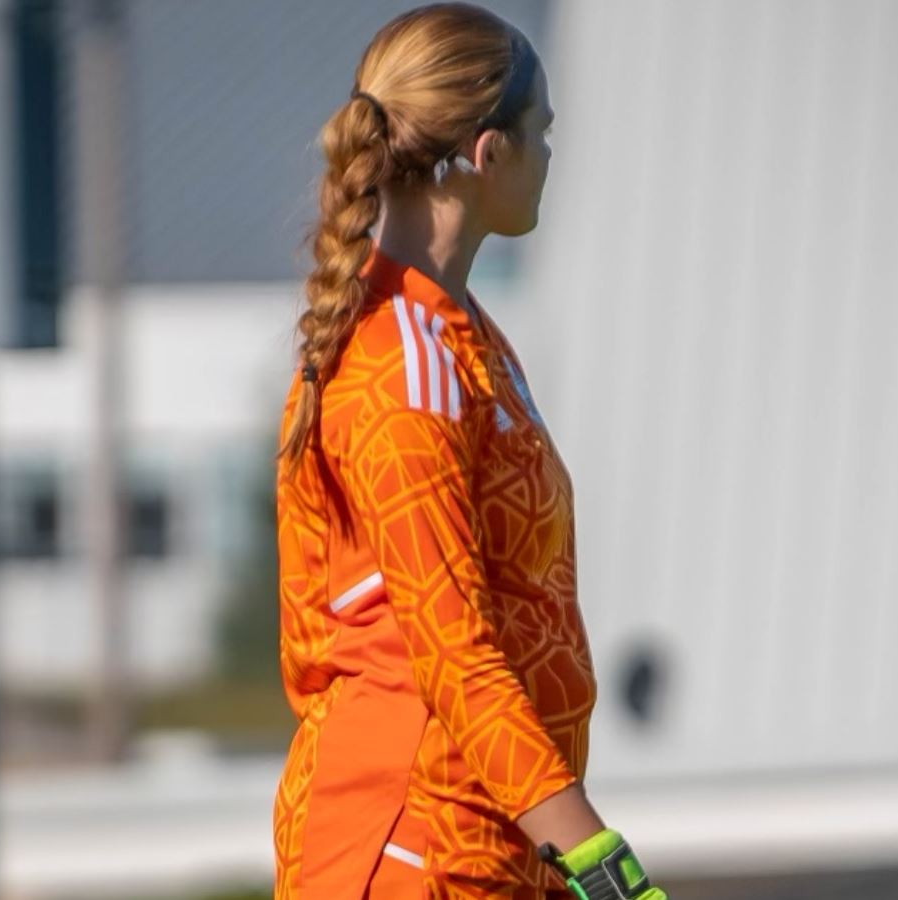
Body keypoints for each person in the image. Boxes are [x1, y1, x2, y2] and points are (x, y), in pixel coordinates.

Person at [271, 4, 667, 898]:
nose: (553, 157)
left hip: (484, 847)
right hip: (407, 850)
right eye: (543, 133)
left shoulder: (464, 339)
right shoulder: (399, 365)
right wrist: (606, 869)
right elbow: (451, 647)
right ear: (489, 154)